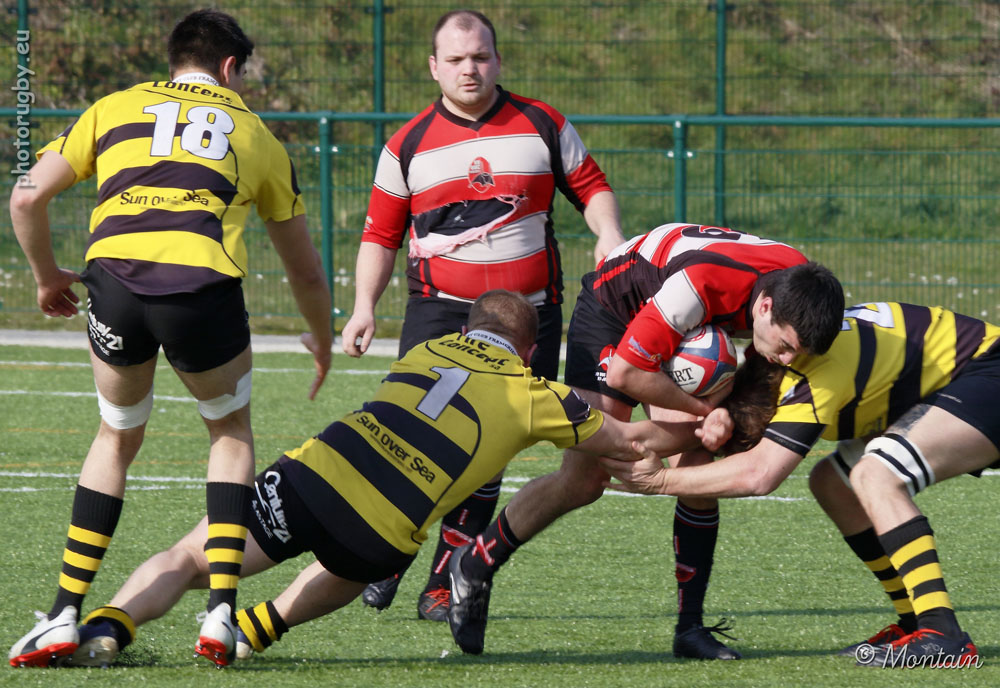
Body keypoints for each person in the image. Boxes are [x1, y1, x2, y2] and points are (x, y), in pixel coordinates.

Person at [52, 290, 720, 667]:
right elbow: (630, 442)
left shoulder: (426, 348)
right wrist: (708, 423)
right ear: (528, 350)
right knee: (352, 564)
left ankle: (110, 623)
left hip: (318, 473)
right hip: (380, 534)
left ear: (470, 329)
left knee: (191, 556)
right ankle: (257, 627)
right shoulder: (534, 392)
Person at [7, 9, 333, 669]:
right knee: (229, 432)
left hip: (115, 286)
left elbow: (25, 198)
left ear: (175, 58)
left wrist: (46, 278)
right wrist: (321, 338)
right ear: (231, 67)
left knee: (116, 435)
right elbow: (303, 269)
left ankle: (63, 613)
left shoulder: (113, 107)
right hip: (199, 292)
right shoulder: (256, 133)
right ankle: (220, 611)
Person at [446, 222, 844, 658]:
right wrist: (707, 410)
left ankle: (690, 628)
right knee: (584, 479)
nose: (786, 360)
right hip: (613, 311)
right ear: (765, 307)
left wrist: (722, 416)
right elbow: (627, 373)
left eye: (796, 352)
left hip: (686, 326)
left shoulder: (800, 286)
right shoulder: (702, 284)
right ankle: (477, 560)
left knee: (699, 469)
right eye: (784, 346)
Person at [342, 9, 625, 622]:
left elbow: (592, 187)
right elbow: (379, 236)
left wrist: (608, 233)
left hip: (529, 316)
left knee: (489, 447)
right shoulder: (406, 145)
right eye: (456, 59)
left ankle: (442, 583)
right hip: (439, 311)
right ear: (434, 67)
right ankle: (389, 555)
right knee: (413, 435)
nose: (469, 69)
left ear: (498, 59)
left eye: (480, 56)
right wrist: (364, 307)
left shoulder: (543, 123)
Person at [604, 301, 997, 668]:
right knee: (833, 484)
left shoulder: (807, 382)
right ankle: (914, 621)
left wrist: (659, 480)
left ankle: (943, 635)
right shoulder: (773, 360)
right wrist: (608, 446)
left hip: (987, 370)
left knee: (876, 475)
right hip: (958, 380)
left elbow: (759, 475)